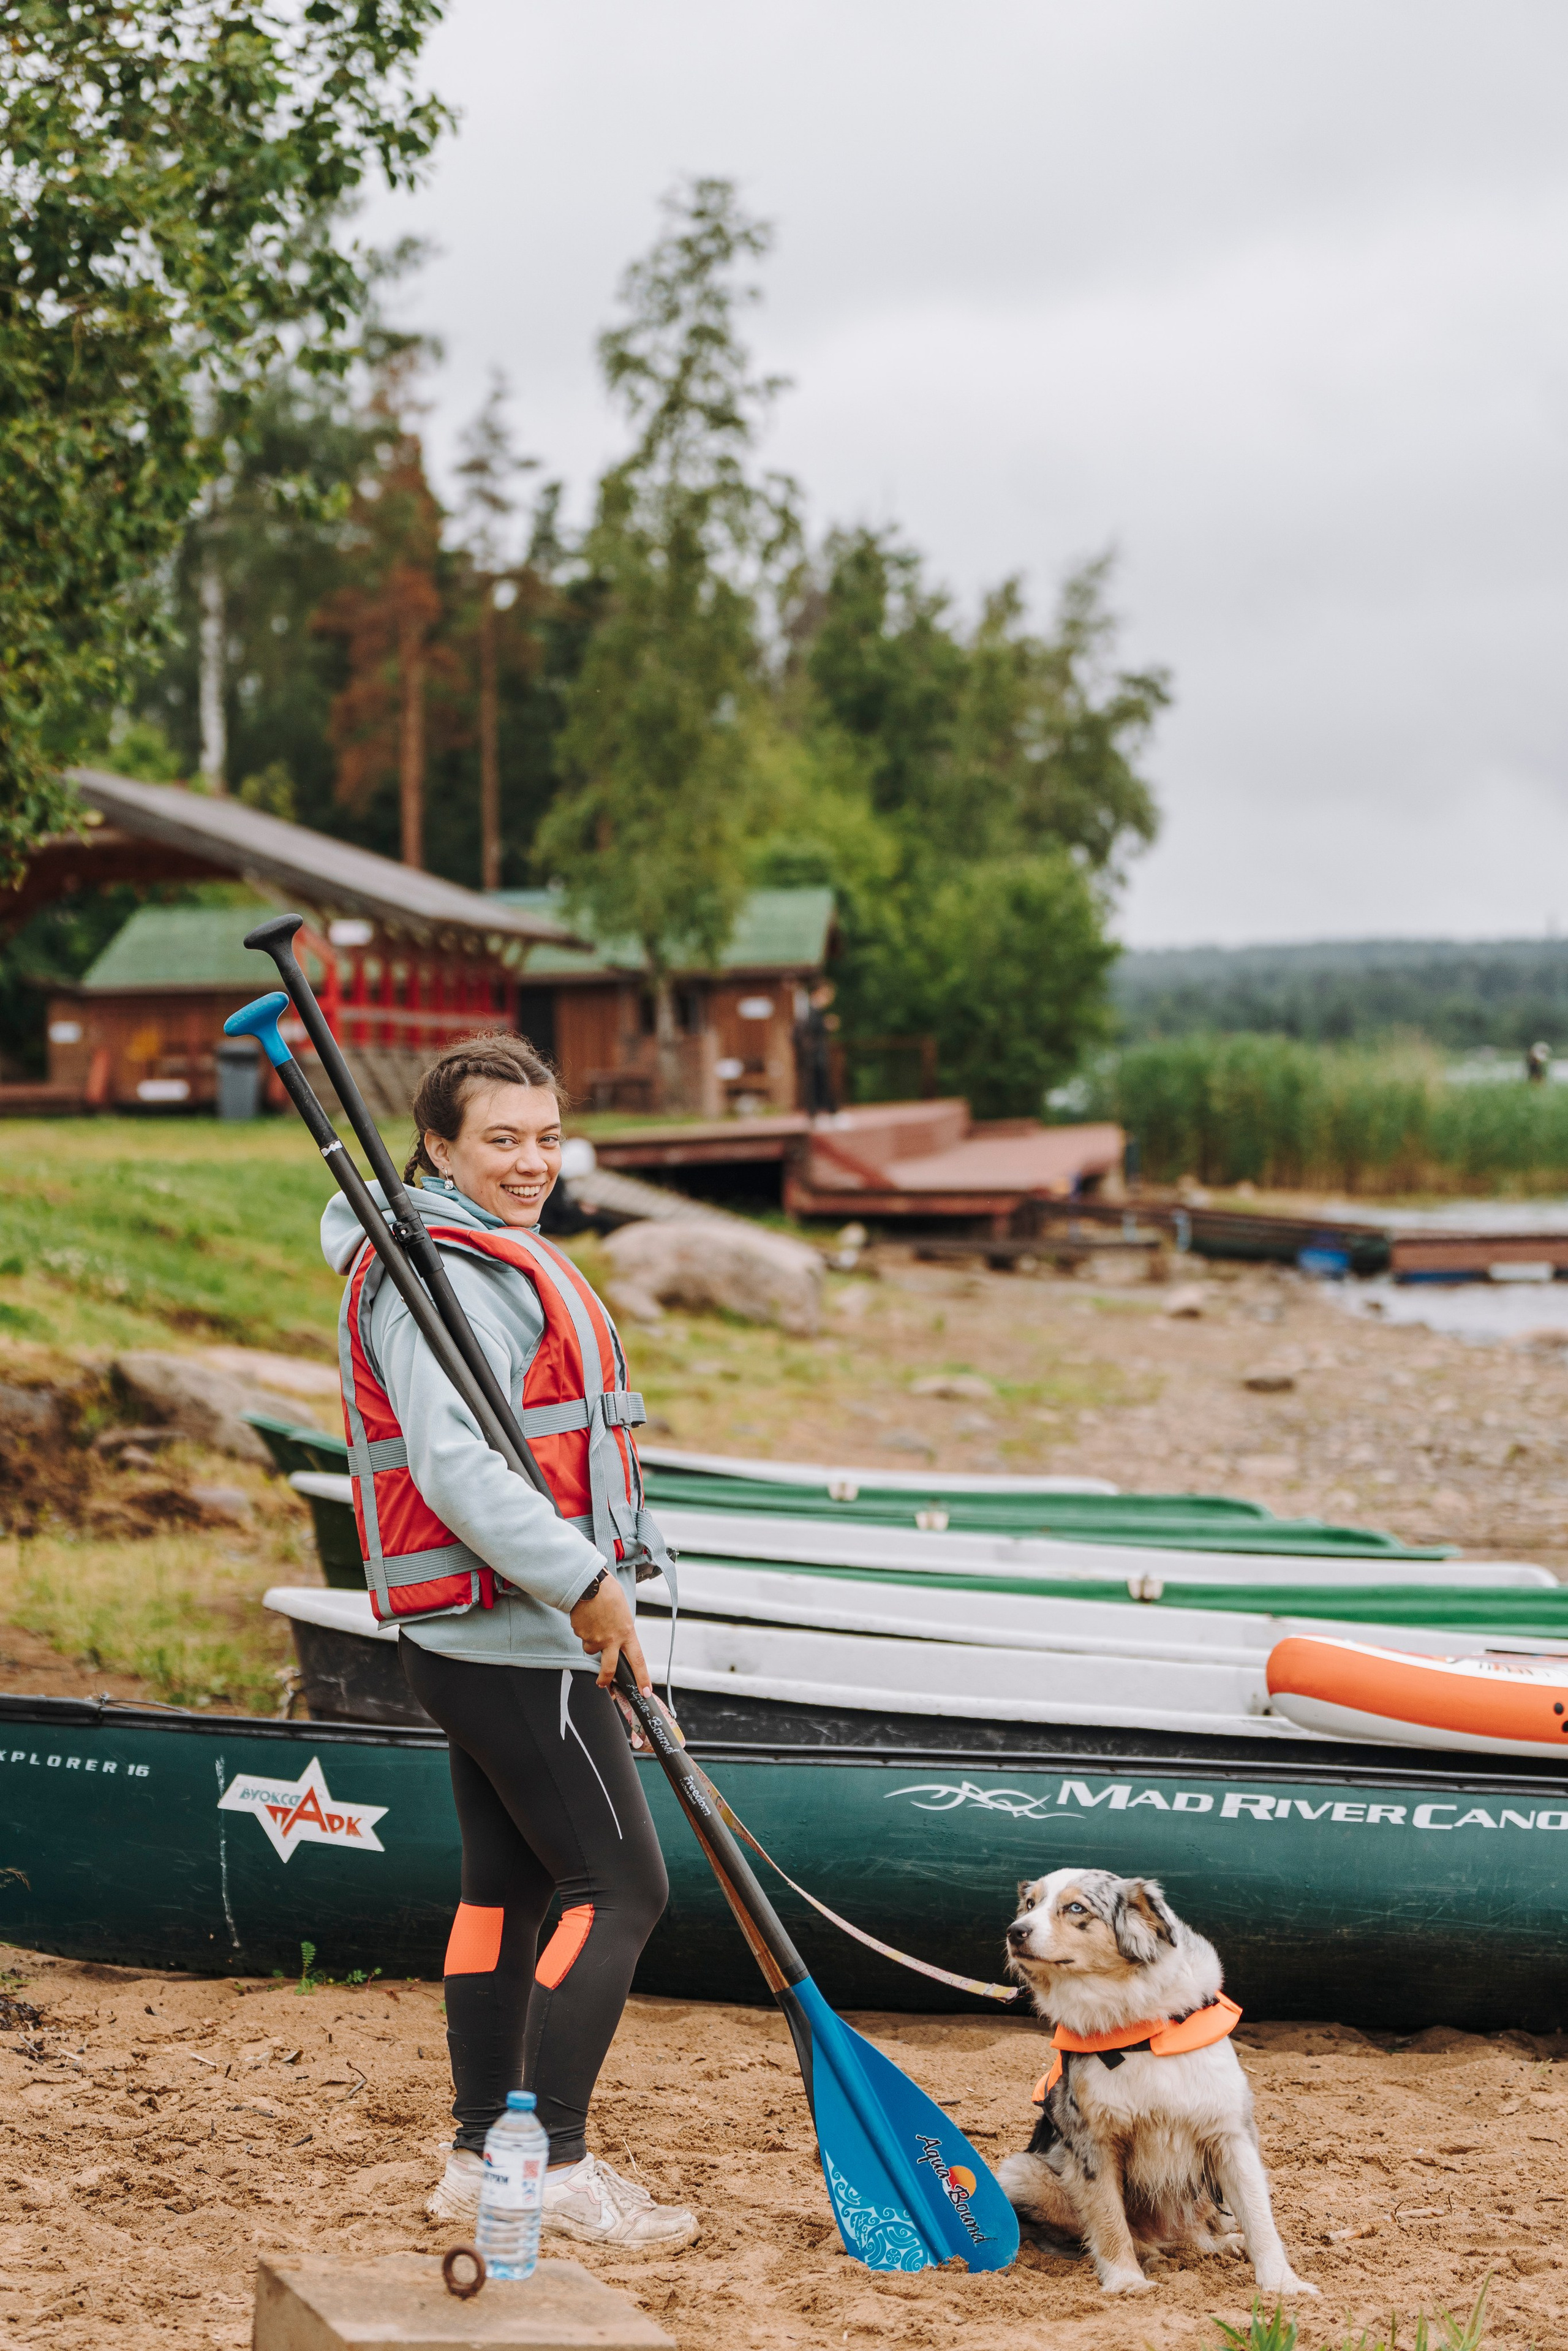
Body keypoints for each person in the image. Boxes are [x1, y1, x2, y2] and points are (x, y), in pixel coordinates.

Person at [319, 1032, 696, 2251]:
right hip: (514, 1633)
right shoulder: (425, 1274)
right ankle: (552, 2161)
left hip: (486, 1632)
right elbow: (452, 1463)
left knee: (510, 1886)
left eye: (546, 1136)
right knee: (623, 1884)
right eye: (501, 1139)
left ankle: (477, 2148)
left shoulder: (467, 1252)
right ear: (438, 1146)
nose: (531, 1161)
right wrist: (586, 1580)